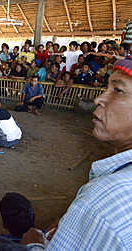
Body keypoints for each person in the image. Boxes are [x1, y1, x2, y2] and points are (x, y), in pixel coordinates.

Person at [22, 59, 132, 250]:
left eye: (118, 91)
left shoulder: (103, 199)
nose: (99, 99)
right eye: (107, 88)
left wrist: (33, 244)